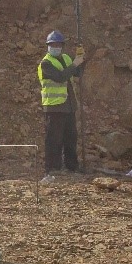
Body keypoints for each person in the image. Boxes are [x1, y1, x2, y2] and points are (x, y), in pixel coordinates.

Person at [38, 30, 86, 175]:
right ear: (48, 46)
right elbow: (60, 77)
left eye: (58, 44)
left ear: (62, 46)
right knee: (54, 139)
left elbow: (77, 73)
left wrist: (80, 58)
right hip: (54, 107)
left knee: (71, 138)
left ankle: (72, 166)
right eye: (52, 44)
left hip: (69, 105)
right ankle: (53, 168)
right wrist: (75, 64)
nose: (55, 46)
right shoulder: (45, 63)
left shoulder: (65, 58)